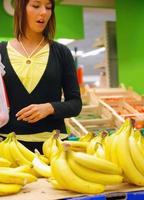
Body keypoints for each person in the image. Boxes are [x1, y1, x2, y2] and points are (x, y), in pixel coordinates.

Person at [0, 0, 82, 152]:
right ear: (21, 9)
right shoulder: (1, 52)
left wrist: (50, 108)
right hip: (8, 146)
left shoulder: (61, 53)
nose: (44, 12)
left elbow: (76, 103)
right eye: (36, 6)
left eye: (49, 7)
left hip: (53, 146)